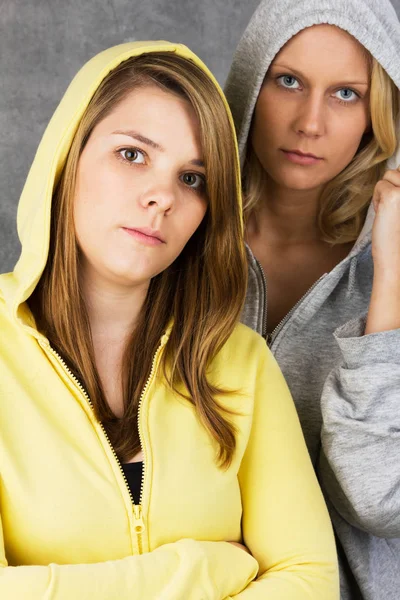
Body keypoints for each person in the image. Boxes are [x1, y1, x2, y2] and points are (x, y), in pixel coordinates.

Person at [0, 41, 338, 599]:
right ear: (67, 158)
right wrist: (204, 569)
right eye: (132, 154)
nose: (161, 196)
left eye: (191, 178)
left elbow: (311, 580)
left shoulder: (240, 362)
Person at [224, 0, 400, 599]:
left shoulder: (394, 268)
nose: (310, 122)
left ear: (379, 113)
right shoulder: (176, 243)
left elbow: (378, 501)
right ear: (251, 83)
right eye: (289, 81)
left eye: (346, 93)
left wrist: (389, 278)